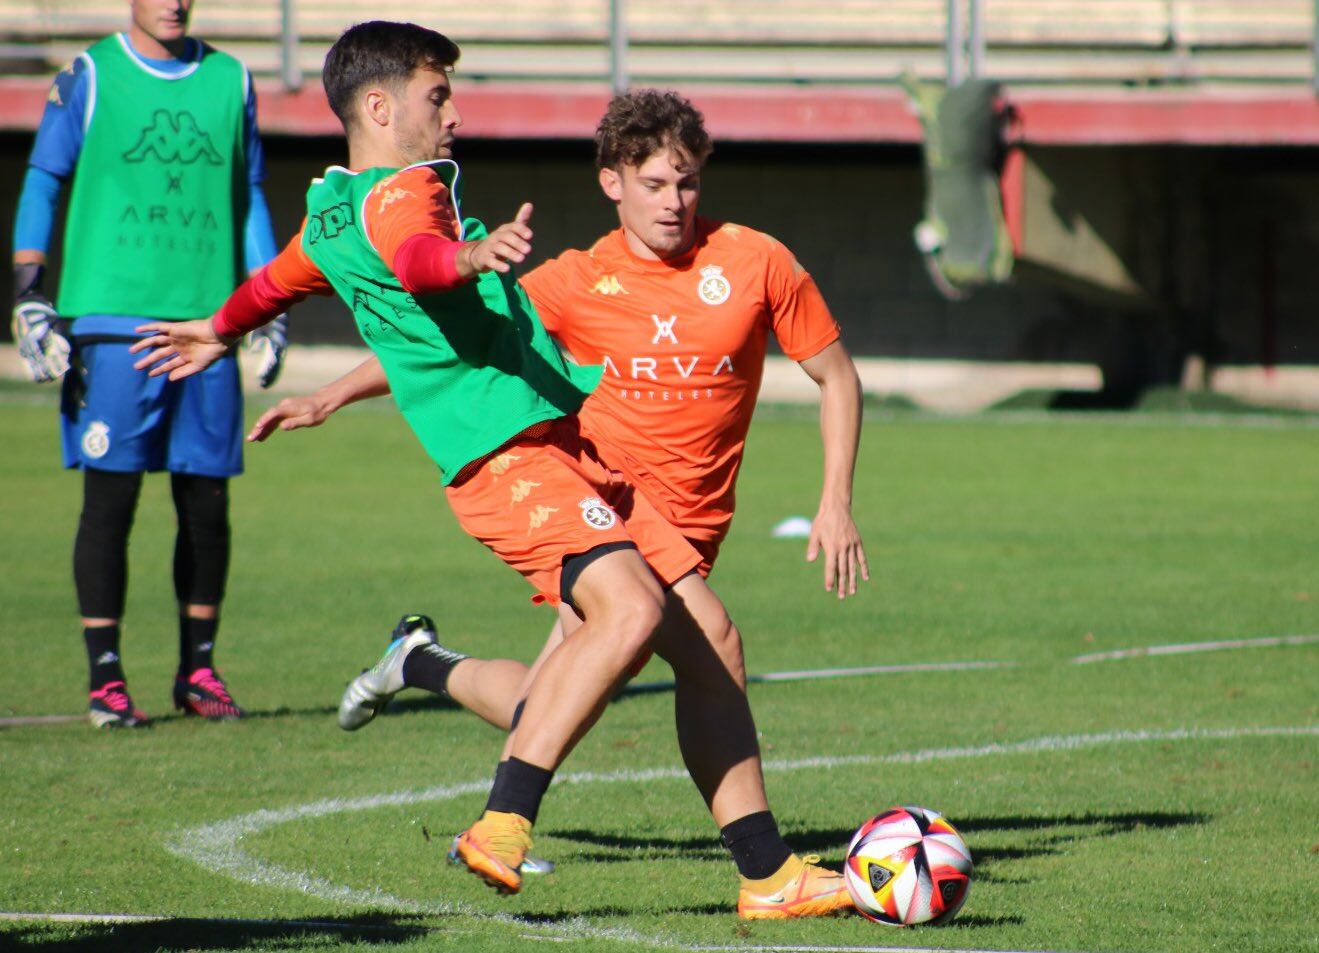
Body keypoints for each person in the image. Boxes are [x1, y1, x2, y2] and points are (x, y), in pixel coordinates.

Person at [131, 22, 854, 919]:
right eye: (440, 97)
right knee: (628, 611)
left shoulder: (331, 211)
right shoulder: (407, 197)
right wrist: (467, 255)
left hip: (564, 451)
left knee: (709, 648)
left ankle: (766, 873)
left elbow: (277, 280)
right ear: (380, 105)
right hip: (508, 458)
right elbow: (420, 260)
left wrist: (222, 329)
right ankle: (504, 818)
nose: (456, 114)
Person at [257, 90, 866, 742]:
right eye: (654, 183)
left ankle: (417, 661)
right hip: (611, 515)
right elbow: (465, 341)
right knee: (711, 652)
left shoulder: (755, 261)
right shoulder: (576, 280)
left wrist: (835, 501)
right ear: (612, 182)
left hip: (697, 525)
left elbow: (836, 377)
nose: (672, 201)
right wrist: (331, 394)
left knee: (543, 707)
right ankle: (747, 843)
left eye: (685, 183)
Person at [9, 0, 287, 728]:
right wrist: (31, 292)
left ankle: (198, 669)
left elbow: (248, 192)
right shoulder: (90, 75)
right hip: (113, 327)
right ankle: (106, 677)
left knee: (206, 506)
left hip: (208, 328)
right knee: (111, 503)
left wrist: (267, 300)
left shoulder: (232, 78)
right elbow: (43, 178)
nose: (173, 1)